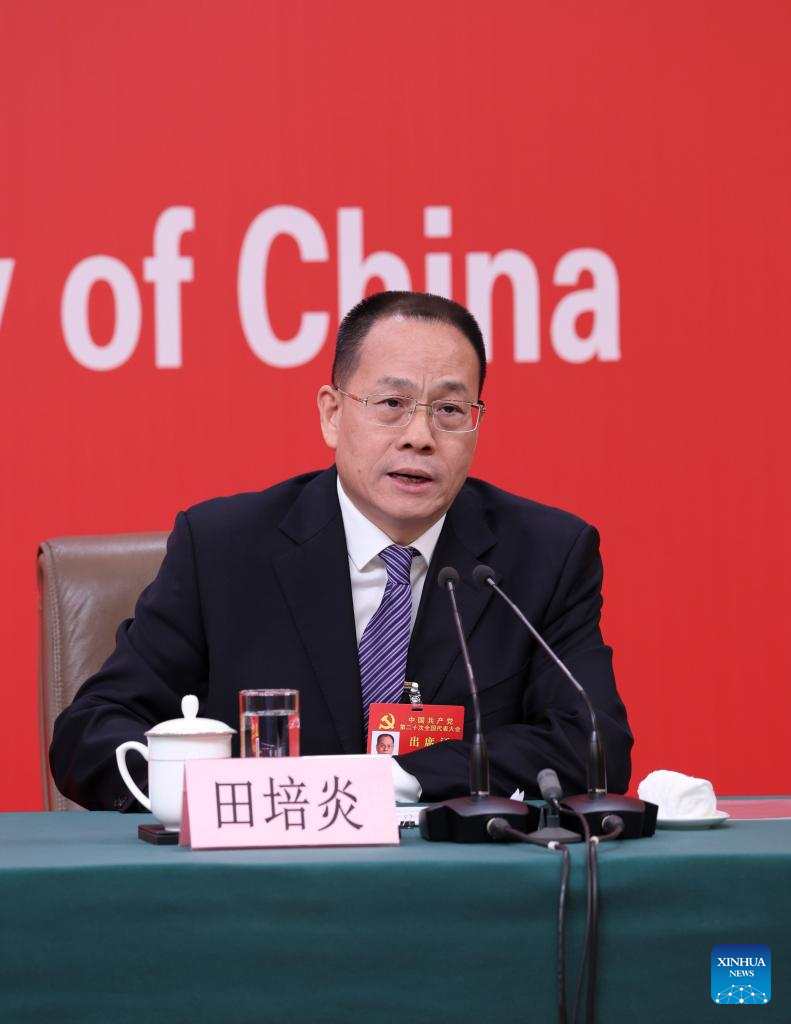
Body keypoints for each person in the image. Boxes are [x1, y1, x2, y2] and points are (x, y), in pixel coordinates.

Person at [50, 291, 632, 810]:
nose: (420, 437)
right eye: (391, 403)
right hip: (261, 877)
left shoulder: (543, 556)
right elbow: (92, 733)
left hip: (457, 881)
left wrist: (393, 780)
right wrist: (226, 792)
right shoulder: (223, 550)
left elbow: (594, 743)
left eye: (450, 411)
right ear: (333, 414)